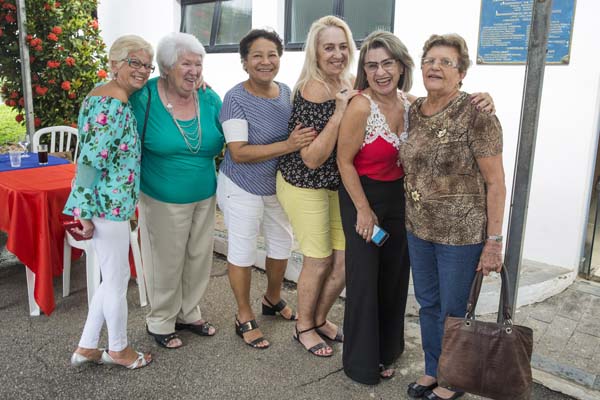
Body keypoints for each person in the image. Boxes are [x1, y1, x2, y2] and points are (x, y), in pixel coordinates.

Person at [401, 33, 505, 400]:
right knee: (428, 305)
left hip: (461, 237)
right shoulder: (414, 110)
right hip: (419, 229)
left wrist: (494, 242)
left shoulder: (478, 114)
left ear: (461, 74)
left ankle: (454, 380)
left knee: (454, 310)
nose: (435, 67)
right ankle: (434, 369)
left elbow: (496, 183)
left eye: (446, 62)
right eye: (430, 61)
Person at [217, 29, 316, 349]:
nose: (265, 61)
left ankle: (272, 299)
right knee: (243, 250)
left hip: (276, 185)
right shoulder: (235, 98)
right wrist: (288, 145)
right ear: (245, 62)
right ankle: (243, 314)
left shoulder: (286, 92)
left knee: (281, 245)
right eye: (257, 55)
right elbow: (238, 152)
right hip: (241, 185)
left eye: (272, 54)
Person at [130, 32, 224, 349]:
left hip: (204, 193)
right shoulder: (144, 98)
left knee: (198, 257)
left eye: (198, 64)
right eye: (186, 64)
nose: (194, 71)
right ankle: (160, 319)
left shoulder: (209, 98)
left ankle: (188, 312)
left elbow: (228, 135)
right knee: (165, 261)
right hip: (161, 196)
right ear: (167, 67)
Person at [64, 34, 154, 369]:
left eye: (147, 65)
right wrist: (83, 212)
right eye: (134, 62)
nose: (142, 70)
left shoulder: (106, 93)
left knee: (110, 276)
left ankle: (88, 346)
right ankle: (119, 349)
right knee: (116, 281)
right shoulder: (113, 104)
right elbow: (89, 162)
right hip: (107, 205)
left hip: (109, 204)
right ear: (114, 64)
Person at [276, 15, 358, 357]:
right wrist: (339, 113)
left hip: (335, 184)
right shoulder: (311, 89)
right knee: (319, 259)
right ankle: (303, 327)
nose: (337, 54)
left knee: (345, 260)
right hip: (304, 183)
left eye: (343, 46)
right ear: (316, 52)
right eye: (329, 47)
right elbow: (311, 158)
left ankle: (320, 319)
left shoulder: (349, 80)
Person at [337, 30, 414, 384]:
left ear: (401, 66)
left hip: (398, 199)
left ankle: (387, 351)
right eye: (371, 66)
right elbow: (344, 162)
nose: (380, 72)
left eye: (387, 63)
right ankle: (361, 364)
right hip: (362, 196)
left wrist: (481, 98)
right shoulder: (360, 106)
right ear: (364, 71)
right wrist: (364, 210)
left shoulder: (410, 104)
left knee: (395, 276)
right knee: (365, 279)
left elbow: (449, 101)